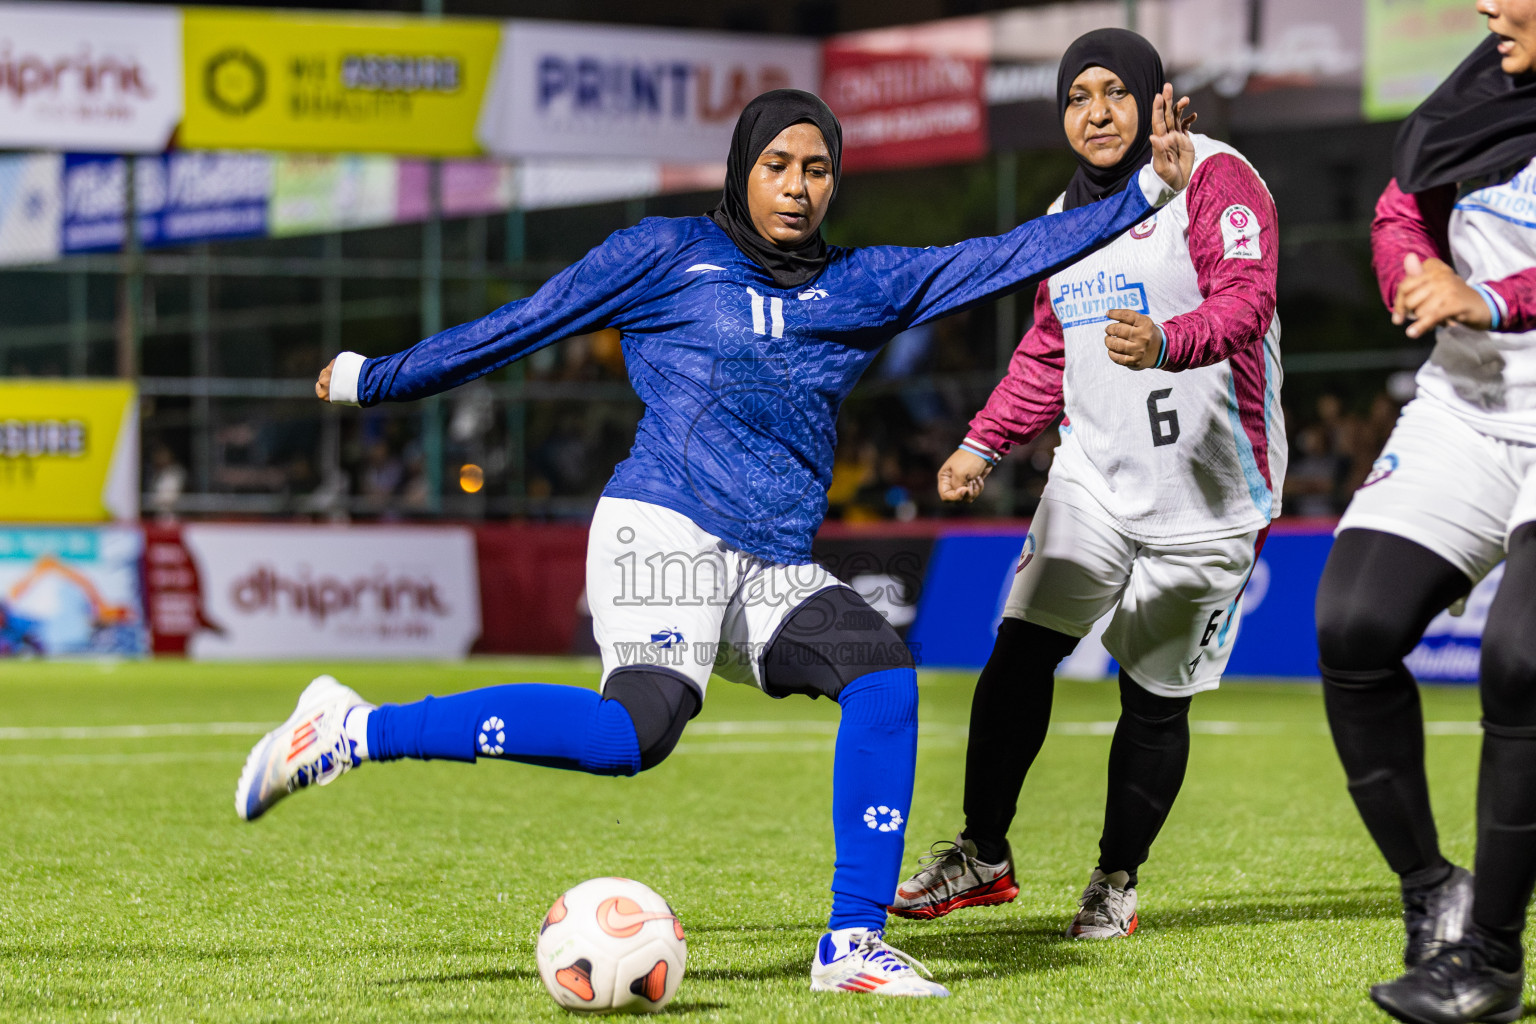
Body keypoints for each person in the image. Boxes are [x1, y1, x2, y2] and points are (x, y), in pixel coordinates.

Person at [233, 88, 1196, 997]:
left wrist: (1150, 188)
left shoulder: (863, 284)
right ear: (741, 171)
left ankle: (851, 942)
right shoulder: (663, 254)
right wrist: (377, 378)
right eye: (777, 163)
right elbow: (520, 327)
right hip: (664, 524)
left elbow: (1012, 251)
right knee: (632, 735)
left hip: (771, 557)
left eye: (818, 168)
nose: (797, 185)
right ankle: (357, 732)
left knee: (882, 678)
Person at [890, 29, 1284, 941]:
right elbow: (1045, 348)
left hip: (1211, 496)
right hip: (1093, 479)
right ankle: (982, 853)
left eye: (1115, 92)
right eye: (1078, 97)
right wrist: (982, 443)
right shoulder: (1067, 216)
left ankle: (1116, 878)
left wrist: (1169, 340)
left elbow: (1247, 296)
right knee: (1019, 653)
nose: (1097, 112)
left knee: (1153, 696)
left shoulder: (1217, 176)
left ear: (1154, 97)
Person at [1316, 1, 1536, 1019]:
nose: (1491, 6)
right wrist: (1410, 269)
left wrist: (1488, 297)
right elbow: (1403, 200)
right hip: (1467, 399)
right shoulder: (1481, 88)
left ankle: (1489, 957)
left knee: (1522, 661)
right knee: (1353, 626)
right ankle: (1431, 891)